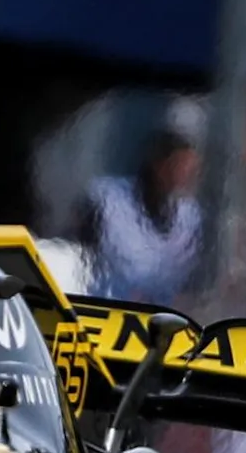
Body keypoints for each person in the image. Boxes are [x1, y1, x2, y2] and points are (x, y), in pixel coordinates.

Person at [81, 100, 207, 306]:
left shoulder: (190, 217)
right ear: (158, 163)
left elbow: (191, 288)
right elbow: (77, 262)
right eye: (178, 166)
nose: (185, 176)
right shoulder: (106, 201)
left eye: (191, 168)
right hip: (101, 310)